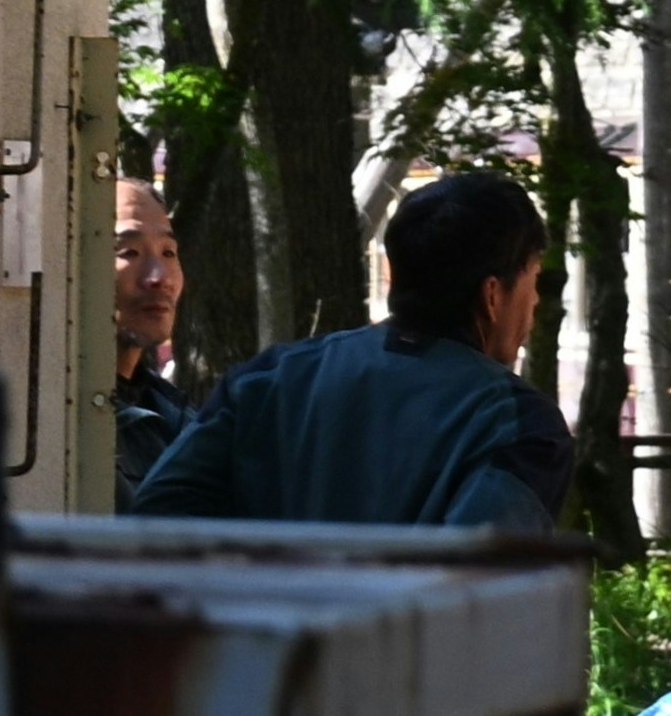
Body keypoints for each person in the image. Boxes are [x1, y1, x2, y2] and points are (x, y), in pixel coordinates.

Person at [132, 169, 580, 531]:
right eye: (533, 280)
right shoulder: (519, 424)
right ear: (492, 295)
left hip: (262, 640)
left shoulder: (269, 379)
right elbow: (479, 591)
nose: (536, 302)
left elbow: (158, 520)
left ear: (394, 274)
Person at [109, 178, 200, 505]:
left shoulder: (179, 419)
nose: (158, 276)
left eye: (168, 252)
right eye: (129, 251)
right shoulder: (66, 420)